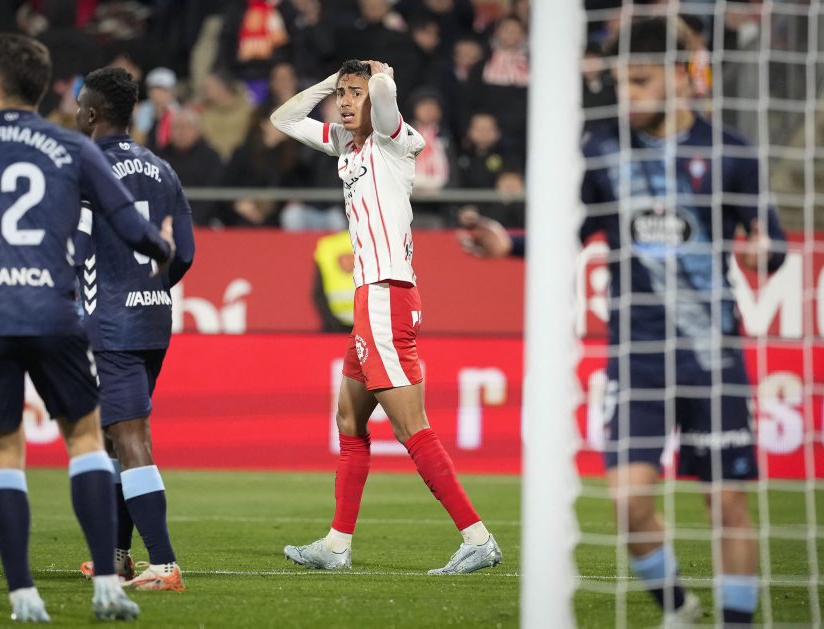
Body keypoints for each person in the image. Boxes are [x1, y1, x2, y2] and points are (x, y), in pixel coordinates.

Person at [459, 17, 787, 625]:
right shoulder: (601, 150)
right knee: (627, 502)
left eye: (640, 81)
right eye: (620, 83)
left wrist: (762, 252)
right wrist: (509, 244)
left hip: (712, 357)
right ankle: (679, 609)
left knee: (727, 505)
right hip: (636, 358)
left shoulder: (730, 152)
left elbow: (773, 241)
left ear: (680, 77)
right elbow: (569, 233)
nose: (627, 95)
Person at [0, 33, 175, 623]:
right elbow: (131, 224)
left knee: (5, 450)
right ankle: (108, 584)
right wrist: (160, 248)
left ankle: (23, 594)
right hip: (50, 308)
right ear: (45, 88)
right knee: (85, 440)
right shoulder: (71, 146)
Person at [271, 58, 502, 574]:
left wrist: (379, 79)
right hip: (369, 298)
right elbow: (283, 119)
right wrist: (333, 81)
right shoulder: (344, 145)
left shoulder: (394, 141)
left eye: (355, 93)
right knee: (349, 419)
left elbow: (384, 99)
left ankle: (477, 537)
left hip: (386, 294)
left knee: (411, 426)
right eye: (342, 94)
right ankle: (336, 545)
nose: (346, 102)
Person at [73, 66, 195, 592]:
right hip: (153, 316)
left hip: (109, 319)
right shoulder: (162, 168)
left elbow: (76, 246)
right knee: (115, 436)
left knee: (128, 435)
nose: (75, 114)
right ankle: (117, 556)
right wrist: (152, 286)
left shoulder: (86, 165)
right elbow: (184, 252)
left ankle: (163, 564)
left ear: (93, 113)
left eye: (79, 106)